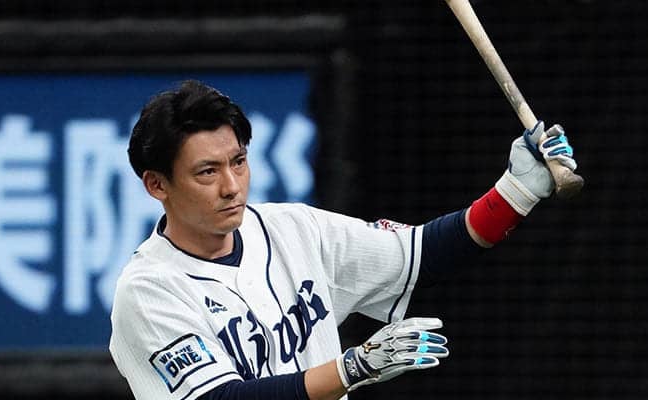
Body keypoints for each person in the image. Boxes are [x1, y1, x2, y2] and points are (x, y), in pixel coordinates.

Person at [108, 80, 577, 400]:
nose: (232, 186)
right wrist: (352, 368)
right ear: (157, 184)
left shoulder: (292, 228)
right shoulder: (149, 289)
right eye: (207, 172)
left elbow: (423, 255)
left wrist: (515, 192)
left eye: (239, 162)